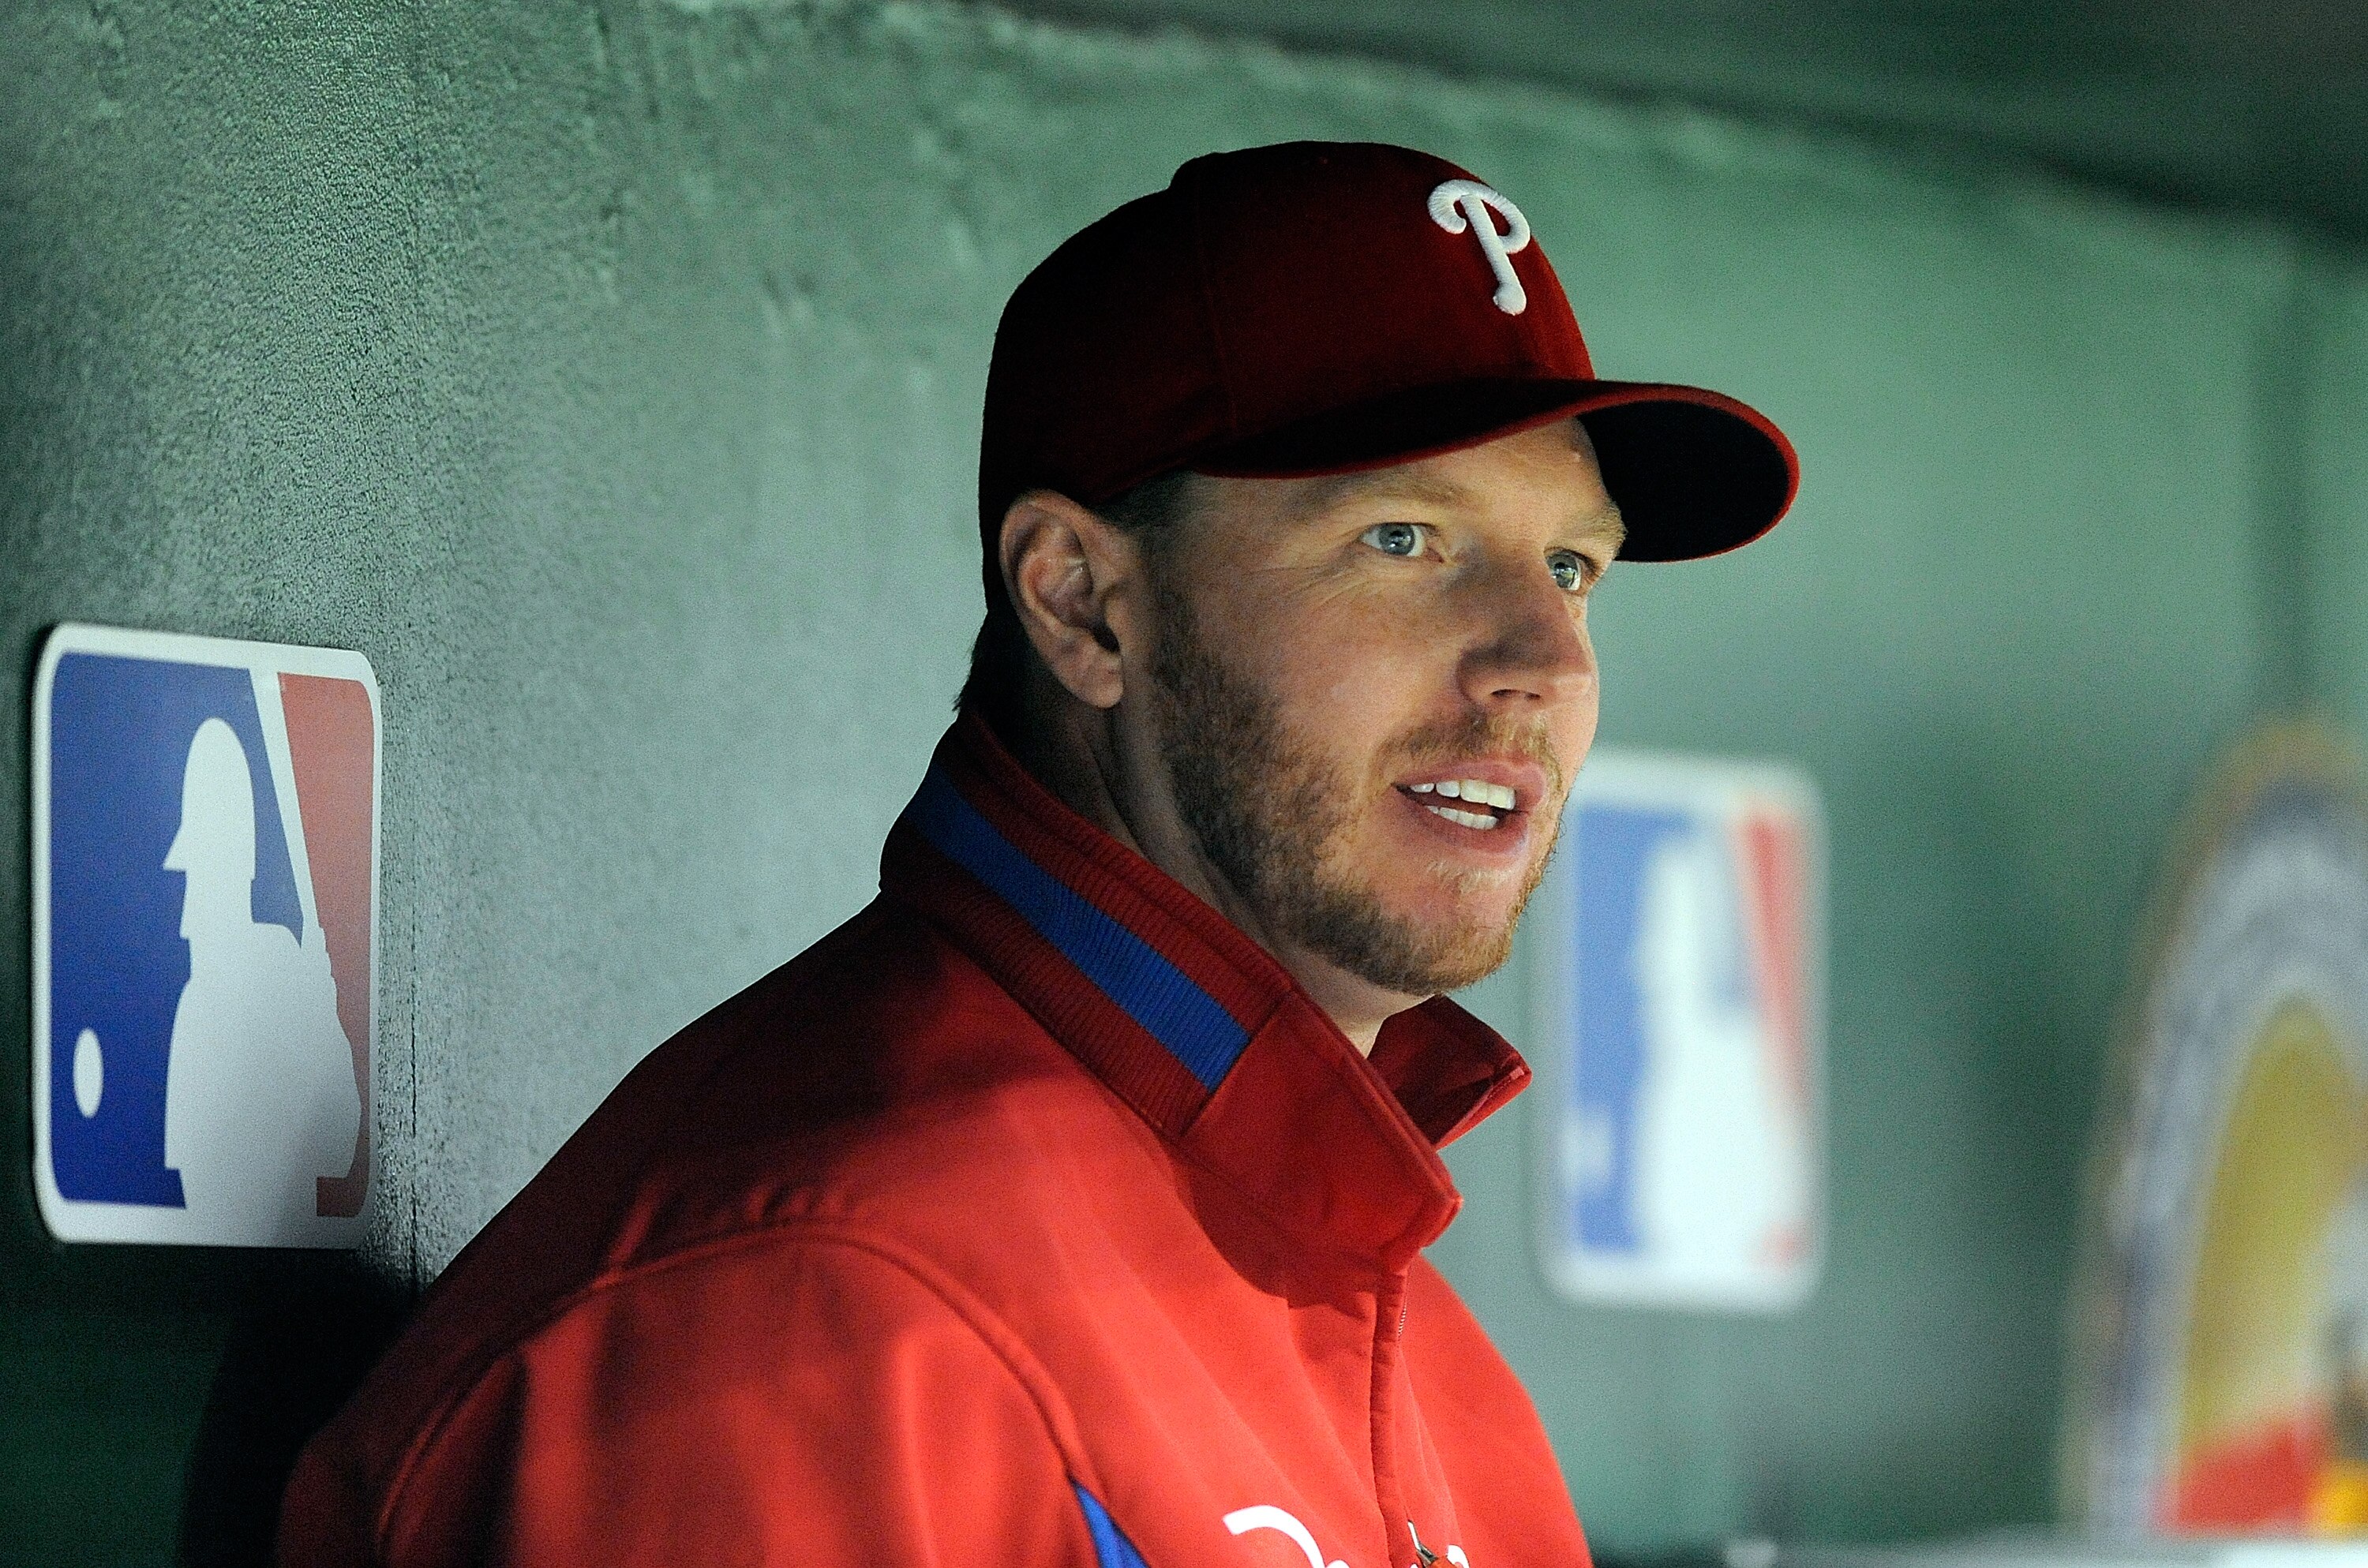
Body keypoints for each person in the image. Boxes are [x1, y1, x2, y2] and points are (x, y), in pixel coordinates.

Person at [279, 140, 1797, 1567]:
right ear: (1079, 602)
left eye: (1571, 566)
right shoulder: (812, 1311)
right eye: (1403, 540)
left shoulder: (1428, 1362)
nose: (1543, 662)